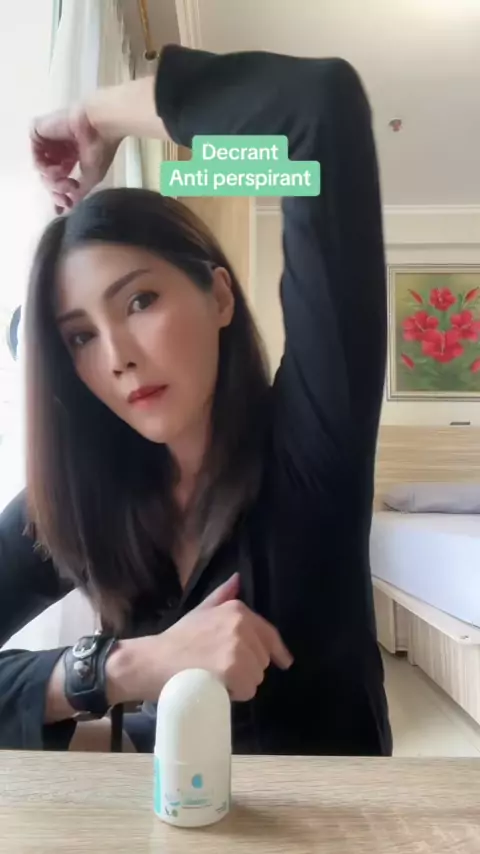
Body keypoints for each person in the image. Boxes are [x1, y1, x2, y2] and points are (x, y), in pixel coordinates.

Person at [0, 43, 391, 756]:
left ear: (219, 297)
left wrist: (97, 117)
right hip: (153, 804)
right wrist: (121, 669)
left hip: (332, 808)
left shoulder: (313, 437)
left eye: (140, 301)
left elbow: (317, 112)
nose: (117, 357)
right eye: (80, 337)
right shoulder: (78, 496)